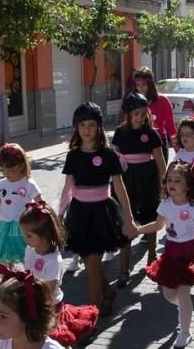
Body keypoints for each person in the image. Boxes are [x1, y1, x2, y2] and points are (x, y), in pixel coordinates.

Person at [58, 102, 136, 316]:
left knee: (92, 263)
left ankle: (91, 316)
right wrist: (59, 214)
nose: (86, 129)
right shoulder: (72, 155)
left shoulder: (109, 155)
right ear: (76, 128)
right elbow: (68, 187)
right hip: (80, 213)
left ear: (99, 127)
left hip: (103, 213)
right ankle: (108, 291)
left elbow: (119, 188)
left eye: (91, 125)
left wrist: (128, 219)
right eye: (82, 125)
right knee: (89, 261)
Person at [140, 162, 194, 348]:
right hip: (171, 254)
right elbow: (157, 226)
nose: (172, 183)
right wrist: (137, 230)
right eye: (169, 180)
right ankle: (183, 308)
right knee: (168, 293)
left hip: (190, 254)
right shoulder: (165, 205)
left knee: (183, 292)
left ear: (188, 184)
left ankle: (185, 331)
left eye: (178, 180)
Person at [20, 201, 98, 346]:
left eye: (29, 236)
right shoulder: (29, 250)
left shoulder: (53, 261)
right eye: (24, 235)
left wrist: (32, 304)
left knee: (56, 342)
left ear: (45, 234)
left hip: (49, 307)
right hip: (32, 301)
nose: (25, 239)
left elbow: (48, 291)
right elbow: (27, 272)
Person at [112, 93, 167, 287]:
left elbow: (160, 161)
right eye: (136, 113)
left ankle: (152, 255)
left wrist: (164, 185)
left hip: (147, 179)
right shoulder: (120, 132)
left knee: (149, 217)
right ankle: (124, 269)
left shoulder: (151, 134)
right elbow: (114, 155)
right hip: (126, 181)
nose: (140, 117)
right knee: (125, 222)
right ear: (128, 114)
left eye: (144, 113)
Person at [0, 144, 44, 266]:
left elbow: (41, 207)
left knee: (27, 259)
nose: (6, 173)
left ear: (22, 165)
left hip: (25, 228)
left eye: (10, 169)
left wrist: (42, 230)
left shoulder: (29, 184)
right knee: (4, 260)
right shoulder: (1, 184)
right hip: (5, 228)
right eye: (2, 169)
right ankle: (7, 282)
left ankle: (30, 283)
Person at [133, 67, 176, 166]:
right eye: (138, 85)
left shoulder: (163, 100)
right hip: (138, 143)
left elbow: (171, 127)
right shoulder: (132, 101)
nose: (140, 88)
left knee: (161, 177)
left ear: (150, 84)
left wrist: (180, 151)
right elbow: (126, 123)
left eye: (143, 84)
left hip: (159, 143)